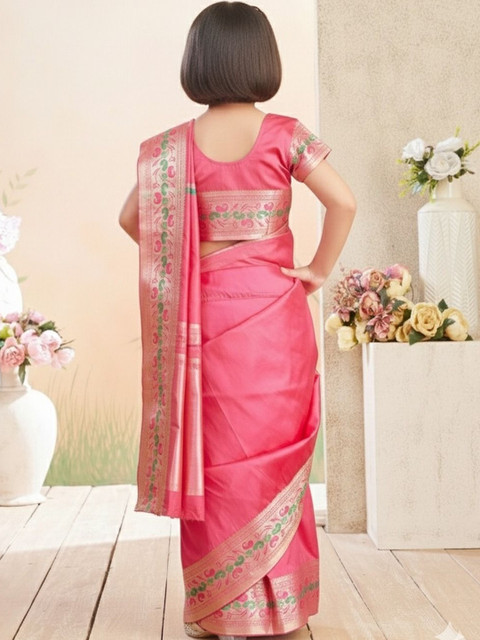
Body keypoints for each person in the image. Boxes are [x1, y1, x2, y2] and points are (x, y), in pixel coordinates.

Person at [119, 3, 356, 639]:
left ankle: (214, 613)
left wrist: (187, 255)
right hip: (274, 320)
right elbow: (344, 201)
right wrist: (317, 270)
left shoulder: (171, 149)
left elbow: (131, 220)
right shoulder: (286, 134)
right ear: (262, 60)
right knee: (272, 465)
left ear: (196, 63)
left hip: (201, 323)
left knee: (214, 463)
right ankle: (284, 616)